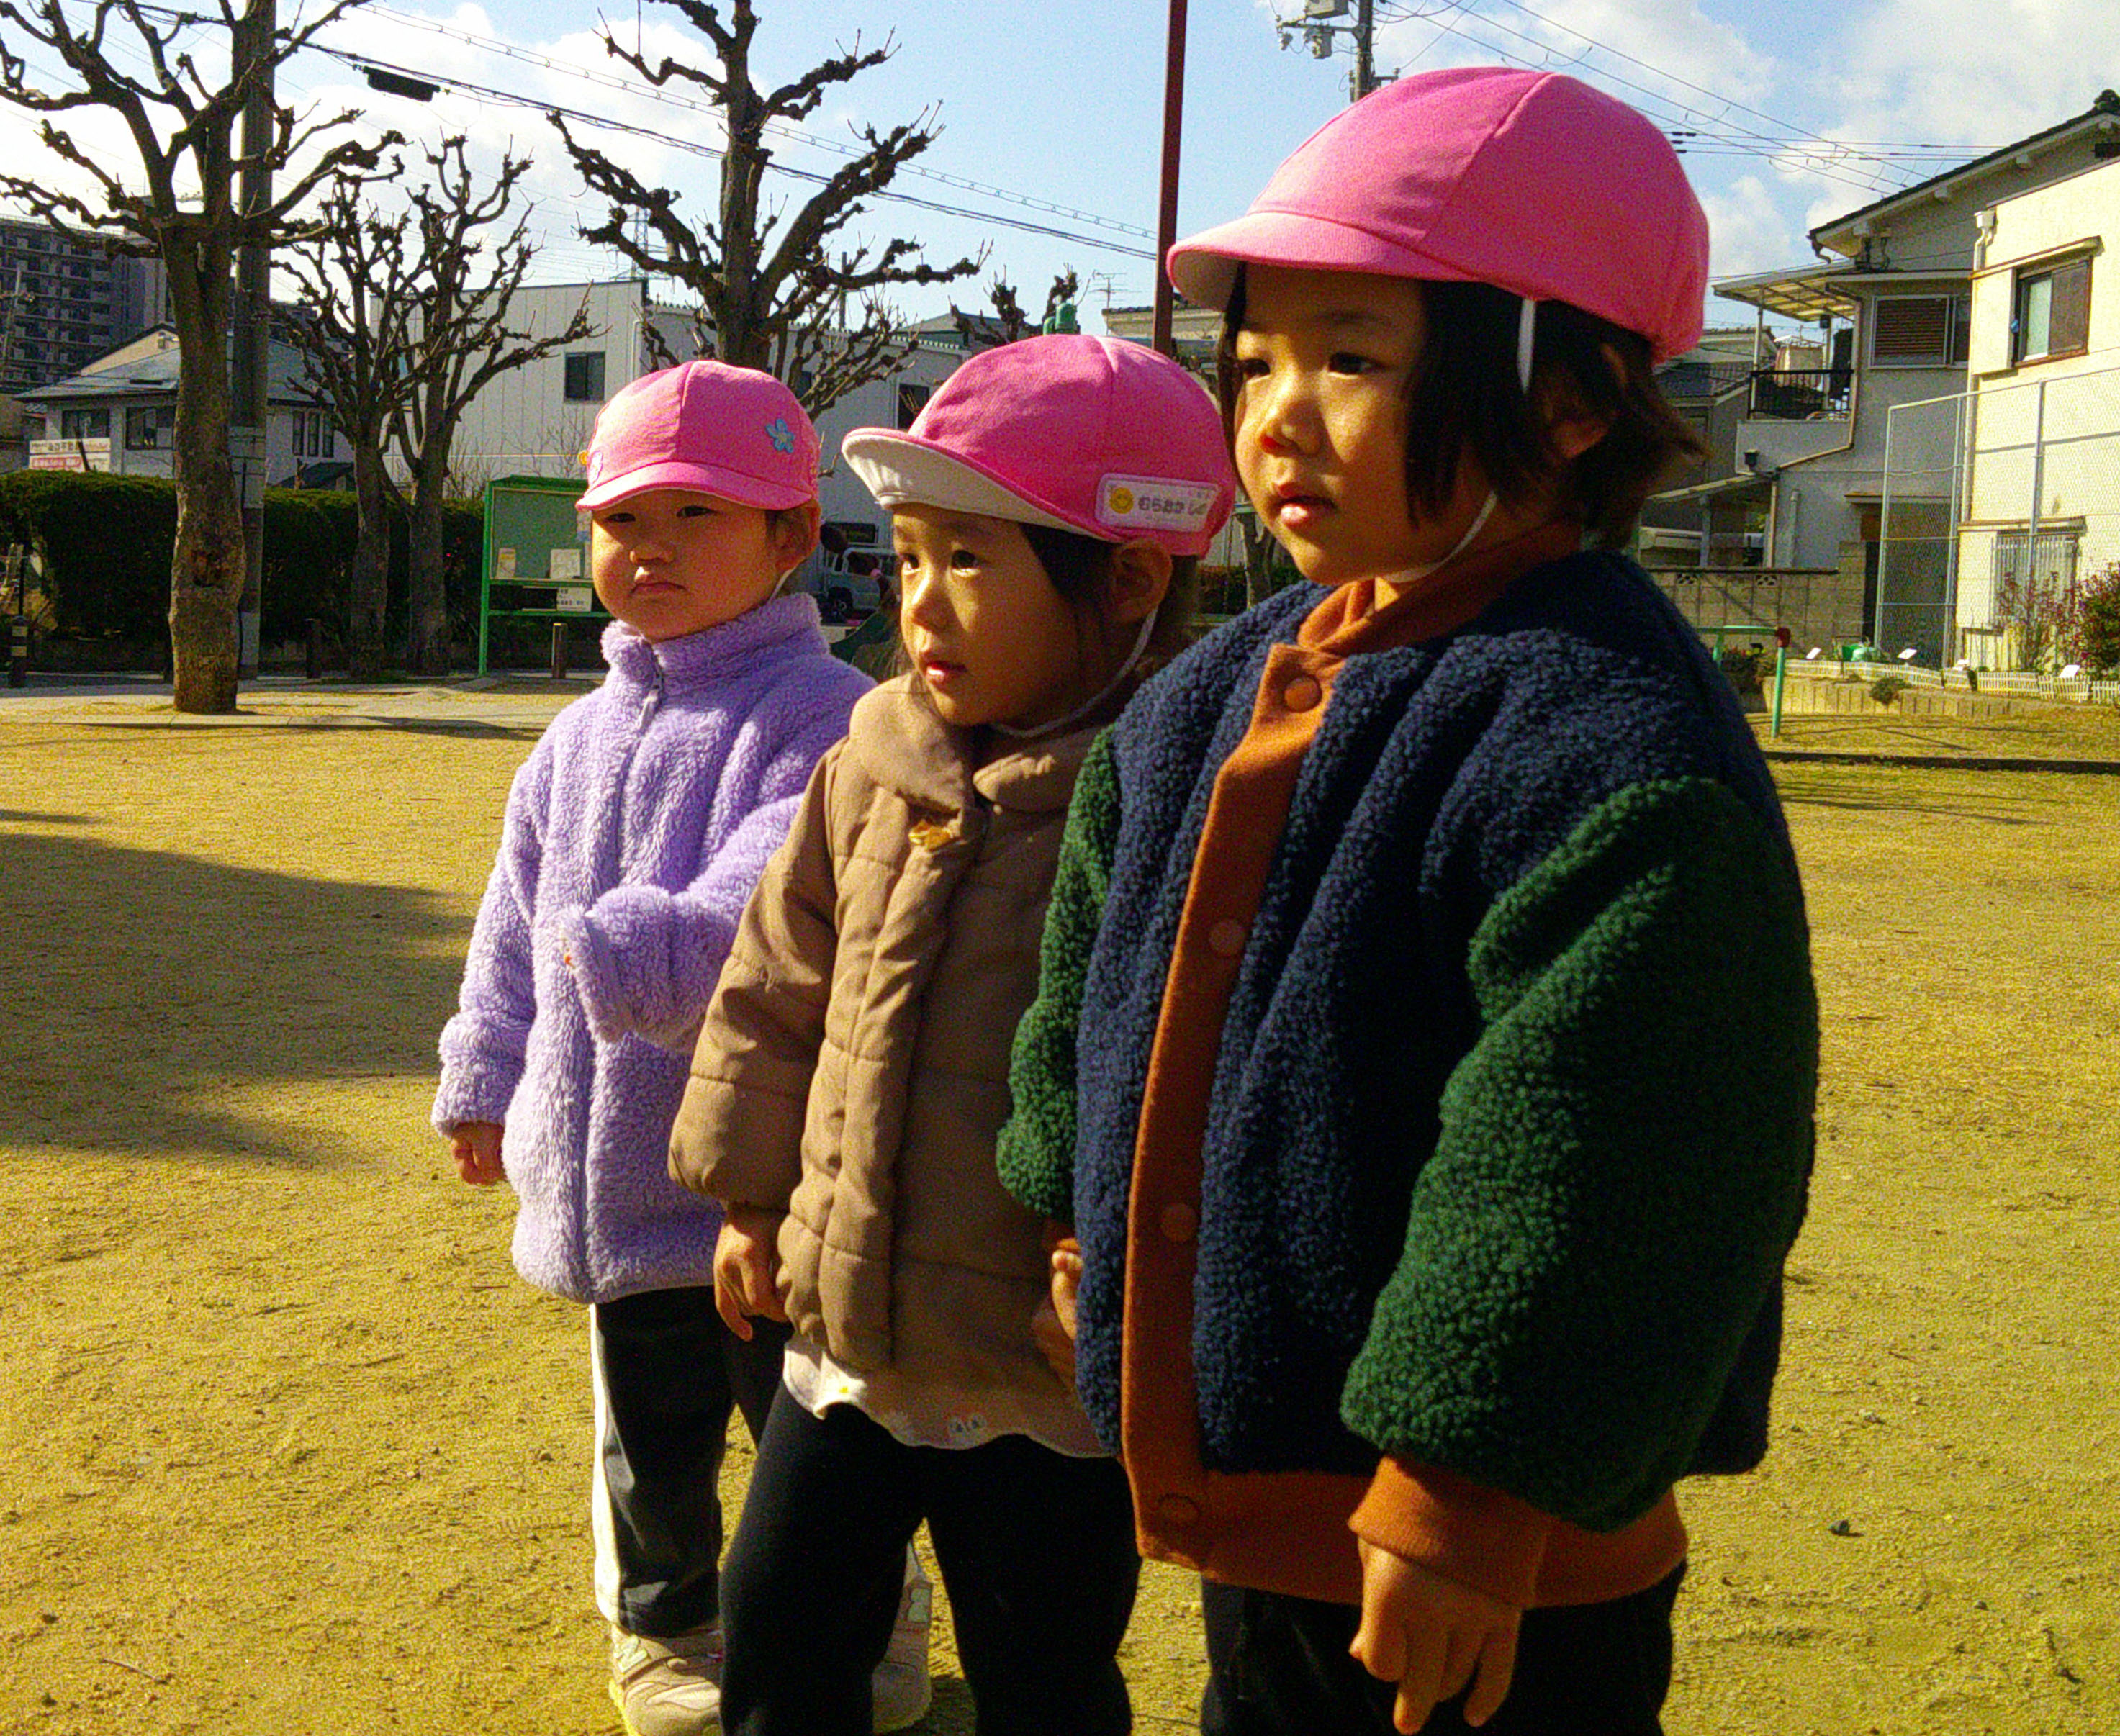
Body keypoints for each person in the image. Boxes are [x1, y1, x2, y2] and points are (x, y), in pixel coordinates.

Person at [997, 68, 1818, 1736]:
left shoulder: (1606, 738)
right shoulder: (1201, 699)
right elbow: (1090, 982)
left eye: (1352, 360)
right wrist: (1071, 1207)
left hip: (1487, 1558)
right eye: (1253, 363)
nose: (1276, 414)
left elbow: (1610, 1150)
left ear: (1568, 401)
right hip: (1274, 1485)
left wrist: (1466, 1484)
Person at [669, 335, 1238, 1736]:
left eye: (969, 559)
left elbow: (1191, 1080)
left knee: (1042, 1678)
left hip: (1037, 1373)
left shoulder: (1175, 801)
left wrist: (1121, 1281)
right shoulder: (870, 760)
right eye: (910, 556)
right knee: (777, 1639)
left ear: (1129, 580)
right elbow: (774, 985)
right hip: (848, 1338)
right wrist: (748, 1199)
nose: (919, 599)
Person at [432, 360, 896, 1736]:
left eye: (697, 515)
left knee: (818, 1440)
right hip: (612, 1183)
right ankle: (663, 1633)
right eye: (623, 520)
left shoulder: (823, 712)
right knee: (649, 1443)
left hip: (762, 1180)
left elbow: (774, 894)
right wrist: (484, 1073)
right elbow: (510, 925)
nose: (652, 548)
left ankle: (870, 1630)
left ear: (792, 535)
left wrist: (641, 948)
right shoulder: (571, 738)